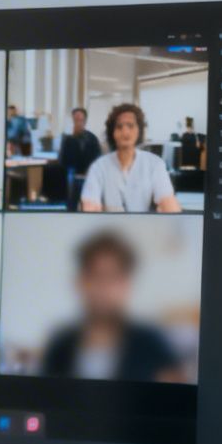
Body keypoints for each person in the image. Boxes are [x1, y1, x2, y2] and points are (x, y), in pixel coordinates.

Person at [41, 230, 184, 383]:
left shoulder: (153, 346)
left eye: (113, 277)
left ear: (127, 285)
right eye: (95, 275)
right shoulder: (59, 348)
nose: (104, 287)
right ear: (80, 282)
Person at [81, 102, 181, 213]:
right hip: (109, 228)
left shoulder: (155, 164)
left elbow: (167, 201)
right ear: (112, 132)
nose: (125, 131)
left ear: (139, 130)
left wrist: (169, 209)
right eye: (119, 126)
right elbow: (89, 204)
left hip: (143, 228)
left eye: (130, 125)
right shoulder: (99, 167)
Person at [57, 106, 104, 213]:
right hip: (72, 177)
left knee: (87, 206)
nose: (78, 123)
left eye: (80, 120)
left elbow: (98, 159)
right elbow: (62, 160)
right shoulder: (67, 138)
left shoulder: (92, 138)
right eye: (75, 120)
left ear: (85, 121)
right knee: (71, 206)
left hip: (88, 178)